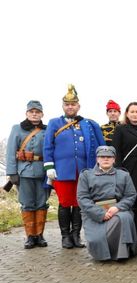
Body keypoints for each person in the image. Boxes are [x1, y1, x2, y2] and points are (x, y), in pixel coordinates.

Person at [43, 84, 105, 249]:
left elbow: (98, 145)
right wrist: (49, 167)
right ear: (63, 106)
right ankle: (65, 237)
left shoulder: (87, 124)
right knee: (64, 203)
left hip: (83, 170)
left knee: (79, 203)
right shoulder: (54, 123)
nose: (70, 107)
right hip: (62, 170)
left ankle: (76, 235)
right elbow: (48, 146)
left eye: (73, 104)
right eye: (67, 104)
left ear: (78, 106)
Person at [77, 146, 137, 261]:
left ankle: (121, 254)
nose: (106, 159)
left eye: (109, 157)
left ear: (114, 159)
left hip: (118, 211)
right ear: (97, 159)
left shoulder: (124, 175)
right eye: (102, 157)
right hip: (94, 213)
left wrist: (118, 207)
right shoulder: (86, 175)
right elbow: (82, 198)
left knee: (123, 218)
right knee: (96, 240)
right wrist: (101, 214)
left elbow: (131, 195)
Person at [6, 100, 49, 249]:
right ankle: (30, 236)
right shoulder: (17, 129)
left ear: (42, 114)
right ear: (27, 113)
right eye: (32, 112)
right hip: (24, 172)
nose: (34, 114)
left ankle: (40, 235)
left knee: (42, 203)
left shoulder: (47, 129)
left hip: (43, 172)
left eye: (37, 112)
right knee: (27, 203)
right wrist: (12, 172)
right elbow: (11, 152)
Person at [112, 102, 137, 246]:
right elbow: (116, 151)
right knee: (126, 203)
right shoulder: (120, 129)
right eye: (132, 111)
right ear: (127, 114)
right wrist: (117, 170)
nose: (135, 114)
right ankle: (127, 233)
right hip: (126, 170)